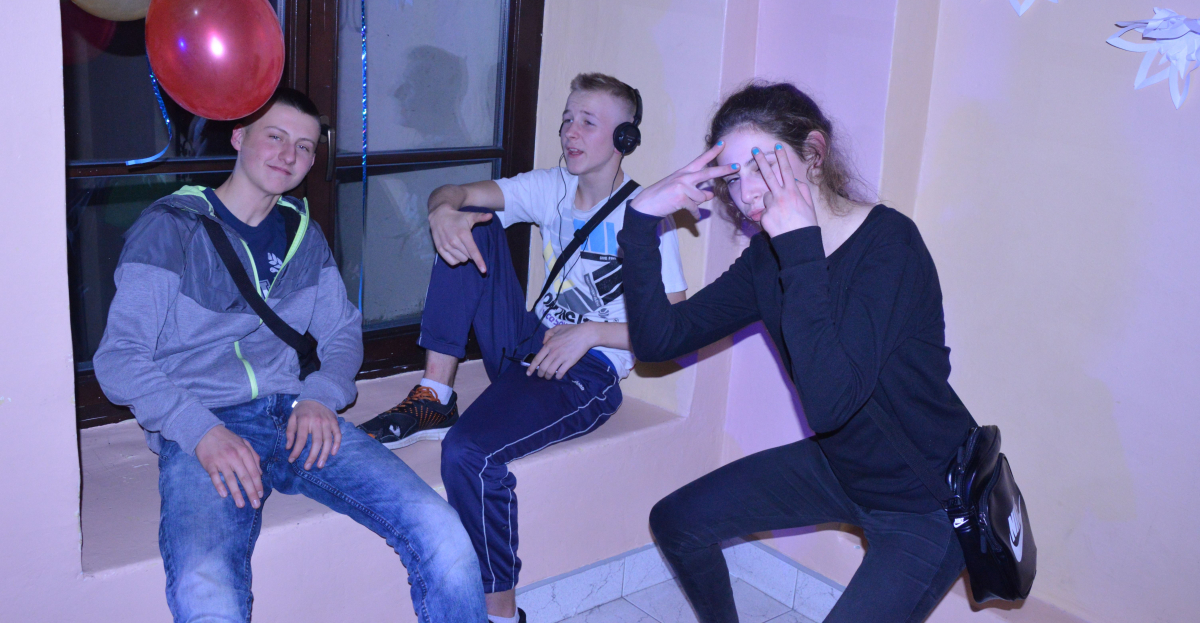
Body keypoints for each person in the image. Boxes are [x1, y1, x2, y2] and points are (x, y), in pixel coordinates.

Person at [92, 88, 486, 623]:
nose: (288, 155)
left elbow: (341, 331)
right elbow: (120, 358)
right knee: (206, 590)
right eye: (275, 136)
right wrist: (198, 430)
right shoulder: (171, 227)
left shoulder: (303, 234)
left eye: (303, 146)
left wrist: (320, 397)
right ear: (239, 137)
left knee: (442, 531)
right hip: (204, 424)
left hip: (295, 413)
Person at [619, 82, 976, 623]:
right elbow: (658, 341)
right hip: (843, 464)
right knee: (676, 522)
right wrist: (641, 220)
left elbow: (831, 401)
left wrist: (800, 248)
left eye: (761, 166)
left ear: (813, 153)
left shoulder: (891, 244)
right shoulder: (769, 258)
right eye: (732, 177)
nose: (746, 194)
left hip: (925, 498)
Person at [359, 73, 689, 623]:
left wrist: (593, 332)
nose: (570, 132)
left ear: (625, 138)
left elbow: (675, 327)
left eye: (588, 122)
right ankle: (435, 392)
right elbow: (454, 193)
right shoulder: (551, 186)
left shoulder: (648, 216)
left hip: (587, 370)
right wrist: (443, 211)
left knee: (469, 453)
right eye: (567, 119)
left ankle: (500, 613)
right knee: (473, 223)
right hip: (530, 341)